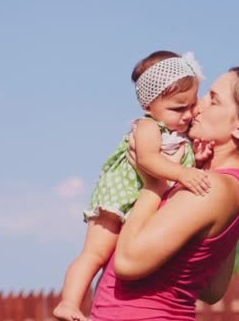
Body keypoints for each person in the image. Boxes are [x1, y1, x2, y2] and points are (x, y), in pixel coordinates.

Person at [85, 66, 239, 320]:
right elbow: (212, 289)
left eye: (214, 99)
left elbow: (128, 262)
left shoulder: (212, 189)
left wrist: (154, 183)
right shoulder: (234, 190)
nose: (198, 105)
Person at [54, 51, 213, 321]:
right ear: (149, 105)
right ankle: (68, 303)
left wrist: (196, 161)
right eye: (178, 108)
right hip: (119, 198)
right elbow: (148, 159)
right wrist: (183, 173)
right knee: (96, 254)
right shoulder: (148, 127)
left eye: (191, 105)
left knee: (117, 259)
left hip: (143, 204)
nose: (187, 115)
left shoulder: (180, 134)